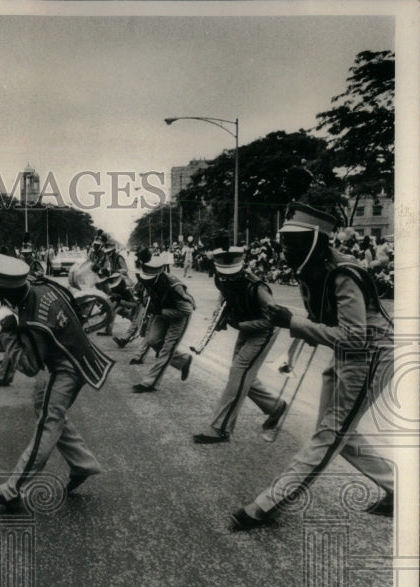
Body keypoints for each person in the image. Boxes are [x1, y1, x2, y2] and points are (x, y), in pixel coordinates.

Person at [231, 204, 395, 530]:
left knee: (329, 434)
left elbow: (352, 337)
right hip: (352, 356)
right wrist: (297, 331)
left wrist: (293, 322)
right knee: (338, 434)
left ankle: (266, 505)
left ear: (315, 243)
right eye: (284, 243)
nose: (285, 251)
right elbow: (326, 325)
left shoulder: (344, 273)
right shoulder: (315, 268)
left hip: (370, 357)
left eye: (293, 244)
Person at [0, 254, 115, 511]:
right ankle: (82, 463)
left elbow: (30, 367)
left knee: (47, 423)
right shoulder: (43, 284)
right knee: (46, 408)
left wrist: (8, 337)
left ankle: (11, 489)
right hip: (76, 352)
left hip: (67, 367)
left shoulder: (33, 320)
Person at [192, 247, 286, 444]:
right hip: (247, 325)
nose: (226, 278)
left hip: (263, 329)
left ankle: (221, 429)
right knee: (242, 376)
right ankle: (275, 407)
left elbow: (274, 319)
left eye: (231, 275)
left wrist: (239, 324)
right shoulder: (221, 277)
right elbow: (225, 294)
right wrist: (221, 314)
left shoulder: (258, 288)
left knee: (239, 372)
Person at [131, 253, 193, 393]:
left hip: (178, 315)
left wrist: (162, 311)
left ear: (159, 275)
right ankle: (183, 360)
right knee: (152, 340)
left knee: (167, 349)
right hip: (161, 312)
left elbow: (187, 310)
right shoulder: (147, 281)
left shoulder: (174, 285)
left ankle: (149, 383)